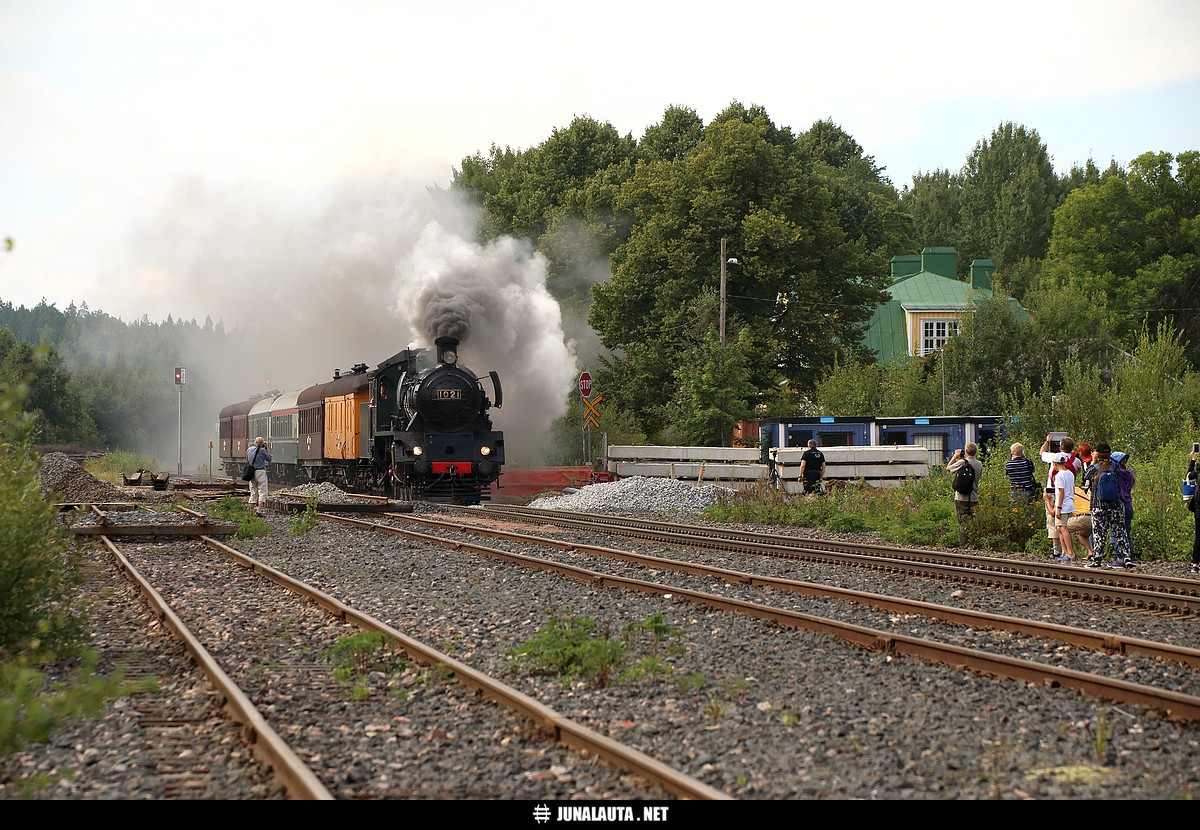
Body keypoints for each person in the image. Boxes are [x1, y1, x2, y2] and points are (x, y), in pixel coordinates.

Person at [1081, 443, 1133, 570]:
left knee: (1099, 534)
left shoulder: (1094, 468)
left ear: (1097, 454)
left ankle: (1097, 559)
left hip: (1098, 506)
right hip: (1115, 505)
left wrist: (1093, 461)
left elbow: (1085, 476)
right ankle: (1126, 558)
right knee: (1120, 532)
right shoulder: (1115, 467)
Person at [1039, 434, 1079, 557]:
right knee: (1062, 525)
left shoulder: (1054, 458)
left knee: (1055, 524)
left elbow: (1042, 453)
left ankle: (1060, 550)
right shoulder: (1075, 460)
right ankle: (1064, 551)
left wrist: (1047, 441)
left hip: (1056, 495)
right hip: (1070, 496)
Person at [946, 442, 982, 547]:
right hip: (974, 498)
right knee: (973, 522)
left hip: (961, 498)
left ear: (966, 452)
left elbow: (948, 468)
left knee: (962, 523)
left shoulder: (962, 462)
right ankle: (974, 544)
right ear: (976, 452)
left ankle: (964, 546)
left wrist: (955, 456)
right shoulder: (979, 464)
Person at [1050, 453, 1077, 560]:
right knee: (1059, 528)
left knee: (1063, 528)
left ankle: (1070, 552)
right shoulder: (1070, 473)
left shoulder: (1059, 476)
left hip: (1063, 505)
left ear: (1055, 463)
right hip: (1070, 502)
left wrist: (1058, 507)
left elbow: (1061, 492)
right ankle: (1064, 551)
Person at [1111, 451, 1135, 561]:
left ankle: (1120, 556)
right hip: (1128, 504)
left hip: (1119, 504)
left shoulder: (1116, 474)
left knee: (1116, 532)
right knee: (1127, 532)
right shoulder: (1129, 473)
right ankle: (1128, 555)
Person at [246, 436, 272, 516]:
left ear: (255, 442)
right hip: (260, 472)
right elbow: (269, 459)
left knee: (253, 491)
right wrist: (267, 449)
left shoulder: (249, 450)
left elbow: (247, 459)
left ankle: (251, 511)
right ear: (262, 444)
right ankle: (258, 511)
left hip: (251, 472)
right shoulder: (262, 451)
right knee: (262, 491)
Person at [1188, 449, 1200, 576]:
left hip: (1198, 508)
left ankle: (1195, 565)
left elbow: (1189, 475)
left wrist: (1193, 459)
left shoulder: (1198, 473)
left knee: (1198, 536)